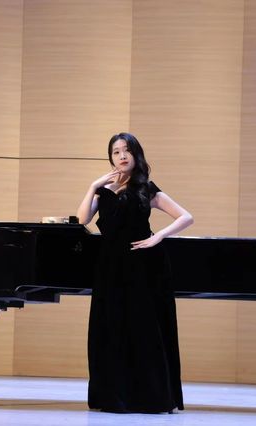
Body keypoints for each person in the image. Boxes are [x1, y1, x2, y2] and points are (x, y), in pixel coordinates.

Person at [76, 133, 194, 413]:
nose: (121, 156)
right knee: (112, 328)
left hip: (142, 265)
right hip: (110, 266)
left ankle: (149, 396)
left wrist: (158, 237)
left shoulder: (146, 189)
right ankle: (114, 396)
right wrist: (92, 186)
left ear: (136, 154)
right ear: (111, 158)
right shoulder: (103, 191)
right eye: (116, 152)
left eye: (126, 150)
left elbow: (186, 217)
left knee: (143, 329)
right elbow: (82, 219)